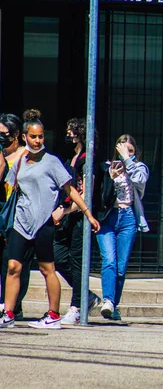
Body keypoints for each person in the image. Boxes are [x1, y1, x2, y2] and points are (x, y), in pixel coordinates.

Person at [0, 116, 100, 329]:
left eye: (41, 136)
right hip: (21, 222)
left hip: (43, 222)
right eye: (33, 136)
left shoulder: (52, 161)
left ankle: (53, 314)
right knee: (12, 266)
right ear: (24, 137)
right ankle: (8, 313)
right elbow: (12, 190)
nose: (37, 140)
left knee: (47, 269)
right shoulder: (20, 162)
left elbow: (70, 190)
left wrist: (88, 214)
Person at [52, 118, 101, 325]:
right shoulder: (72, 158)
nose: (68, 135)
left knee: (75, 260)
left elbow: (85, 193)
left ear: (81, 133)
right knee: (59, 257)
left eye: (71, 131)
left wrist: (64, 211)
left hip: (79, 217)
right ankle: (86, 295)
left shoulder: (87, 160)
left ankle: (77, 306)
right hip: (68, 217)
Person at [96, 135, 149, 321]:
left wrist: (128, 159)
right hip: (108, 217)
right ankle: (108, 301)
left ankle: (113, 305)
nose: (127, 154)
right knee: (109, 260)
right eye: (123, 150)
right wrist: (110, 178)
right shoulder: (106, 167)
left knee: (121, 266)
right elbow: (99, 194)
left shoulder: (139, 168)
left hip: (128, 218)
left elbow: (140, 180)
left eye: (131, 151)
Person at [0, 113, 29, 319]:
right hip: (3, 212)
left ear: (16, 134)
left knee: (15, 262)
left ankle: (13, 306)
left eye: (4, 134)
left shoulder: (26, 155)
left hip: (18, 215)